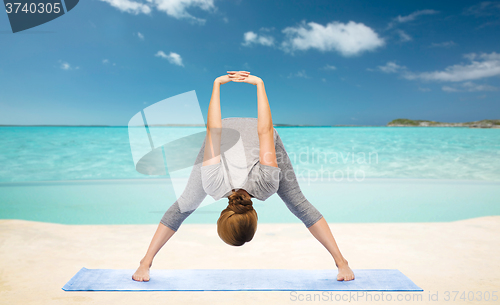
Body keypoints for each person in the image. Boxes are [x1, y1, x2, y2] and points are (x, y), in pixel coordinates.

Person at [132, 71, 355, 282]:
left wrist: (249, 85)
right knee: (184, 205)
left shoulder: (224, 182)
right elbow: (238, 131)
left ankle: (342, 263)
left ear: (255, 217)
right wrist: (226, 85)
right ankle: (144, 262)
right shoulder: (250, 184)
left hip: (228, 135)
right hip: (229, 134)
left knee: (186, 204)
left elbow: (223, 131)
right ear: (221, 215)